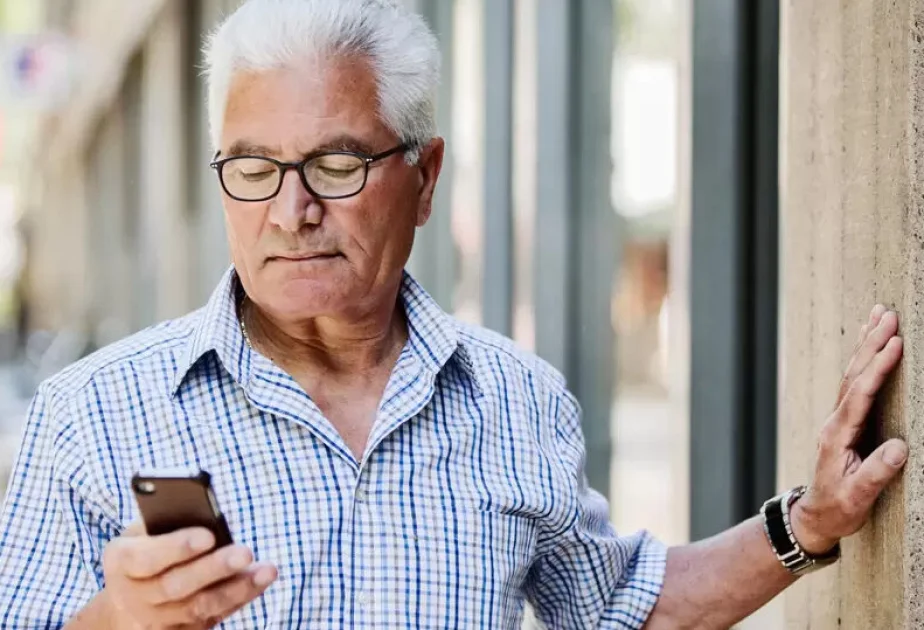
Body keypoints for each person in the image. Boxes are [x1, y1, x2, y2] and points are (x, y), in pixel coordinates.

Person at [0, 0, 908, 628]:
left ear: (424, 179)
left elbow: (625, 606)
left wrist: (812, 521)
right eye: (253, 167)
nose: (290, 210)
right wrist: (123, 616)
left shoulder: (517, 401)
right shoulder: (92, 414)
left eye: (337, 164)